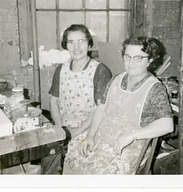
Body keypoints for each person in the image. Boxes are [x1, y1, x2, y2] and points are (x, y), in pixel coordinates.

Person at [63, 36, 174, 175]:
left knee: (100, 173)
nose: (131, 63)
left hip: (129, 145)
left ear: (150, 60)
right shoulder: (116, 79)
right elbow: (101, 109)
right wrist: (90, 135)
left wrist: (132, 135)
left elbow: (167, 125)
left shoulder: (155, 88)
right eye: (127, 57)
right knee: (75, 152)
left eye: (138, 58)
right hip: (104, 137)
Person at [48, 24, 112, 140]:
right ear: (66, 45)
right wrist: (60, 129)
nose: (76, 47)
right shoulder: (61, 69)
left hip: (90, 131)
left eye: (81, 41)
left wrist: (76, 132)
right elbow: (53, 101)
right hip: (64, 128)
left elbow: (101, 109)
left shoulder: (101, 71)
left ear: (89, 43)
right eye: (71, 42)